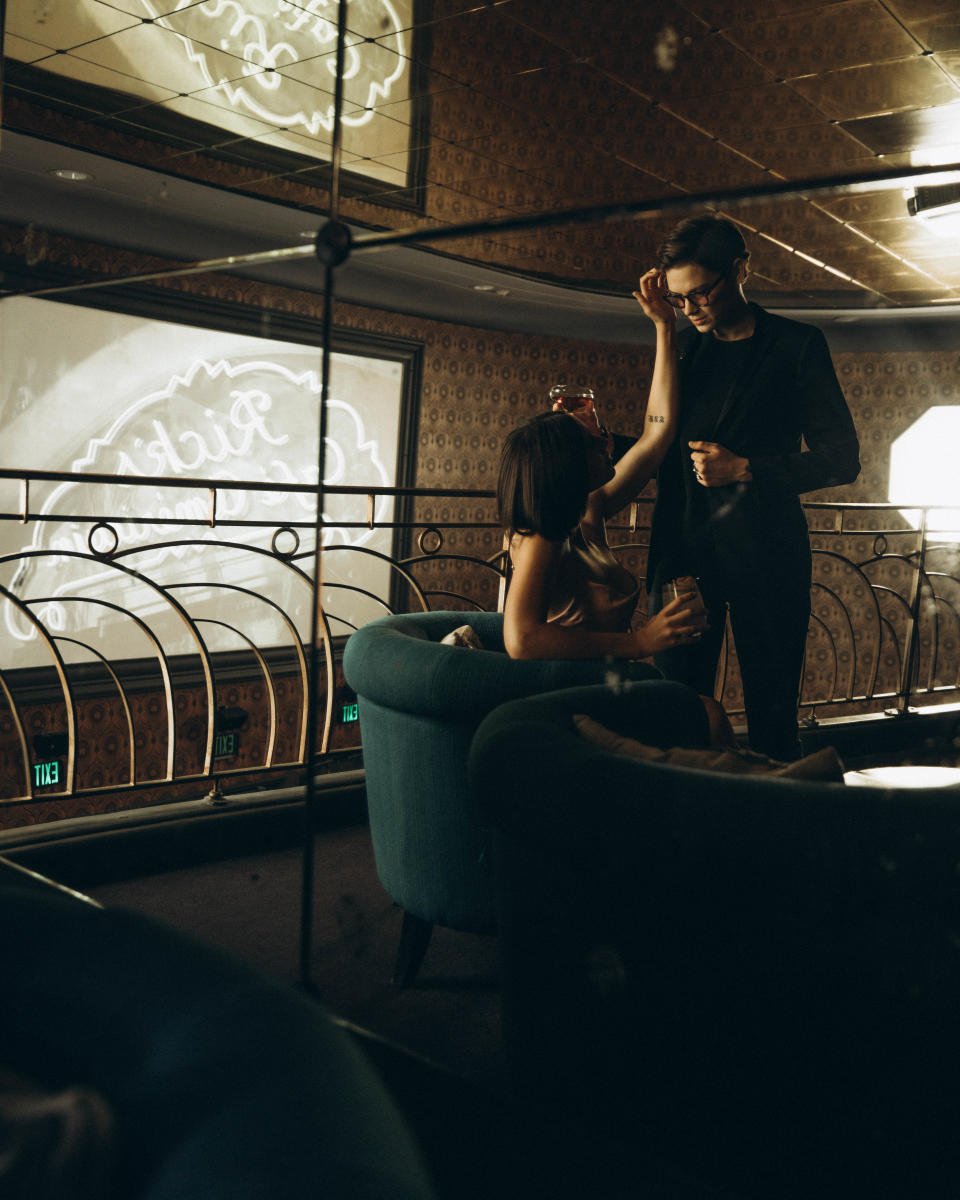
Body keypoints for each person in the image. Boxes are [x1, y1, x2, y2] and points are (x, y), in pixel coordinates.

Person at [646, 214, 861, 761]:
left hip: (767, 556)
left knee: (771, 715)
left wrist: (747, 469)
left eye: (700, 294)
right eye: (679, 299)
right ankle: (692, 832)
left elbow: (843, 458)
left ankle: (775, 833)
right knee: (680, 710)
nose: (690, 308)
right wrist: (599, 436)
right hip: (684, 554)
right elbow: (664, 443)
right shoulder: (685, 346)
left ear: (741, 270)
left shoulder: (797, 346)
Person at [497, 269, 707, 666]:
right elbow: (521, 641)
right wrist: (641, 643)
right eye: (598, 442)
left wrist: (665, 326)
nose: (609, 445)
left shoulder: (588, 511)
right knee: (707, 717)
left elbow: (655, 436)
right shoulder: (543, 537)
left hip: (607, 682)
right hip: (571, 693)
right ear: (568, 464)